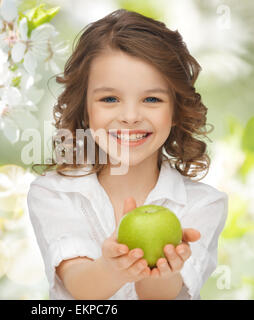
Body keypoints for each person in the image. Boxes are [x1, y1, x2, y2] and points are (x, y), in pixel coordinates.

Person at [27, 9, 228, 300]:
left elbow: (160, 297)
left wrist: (164, 270)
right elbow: (81, 287)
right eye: (110, 99)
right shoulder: (53, 193)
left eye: (151, 99)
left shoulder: (204, 204)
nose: (131, 116)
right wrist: (113, 269)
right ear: (85, 108)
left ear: (175, 110)